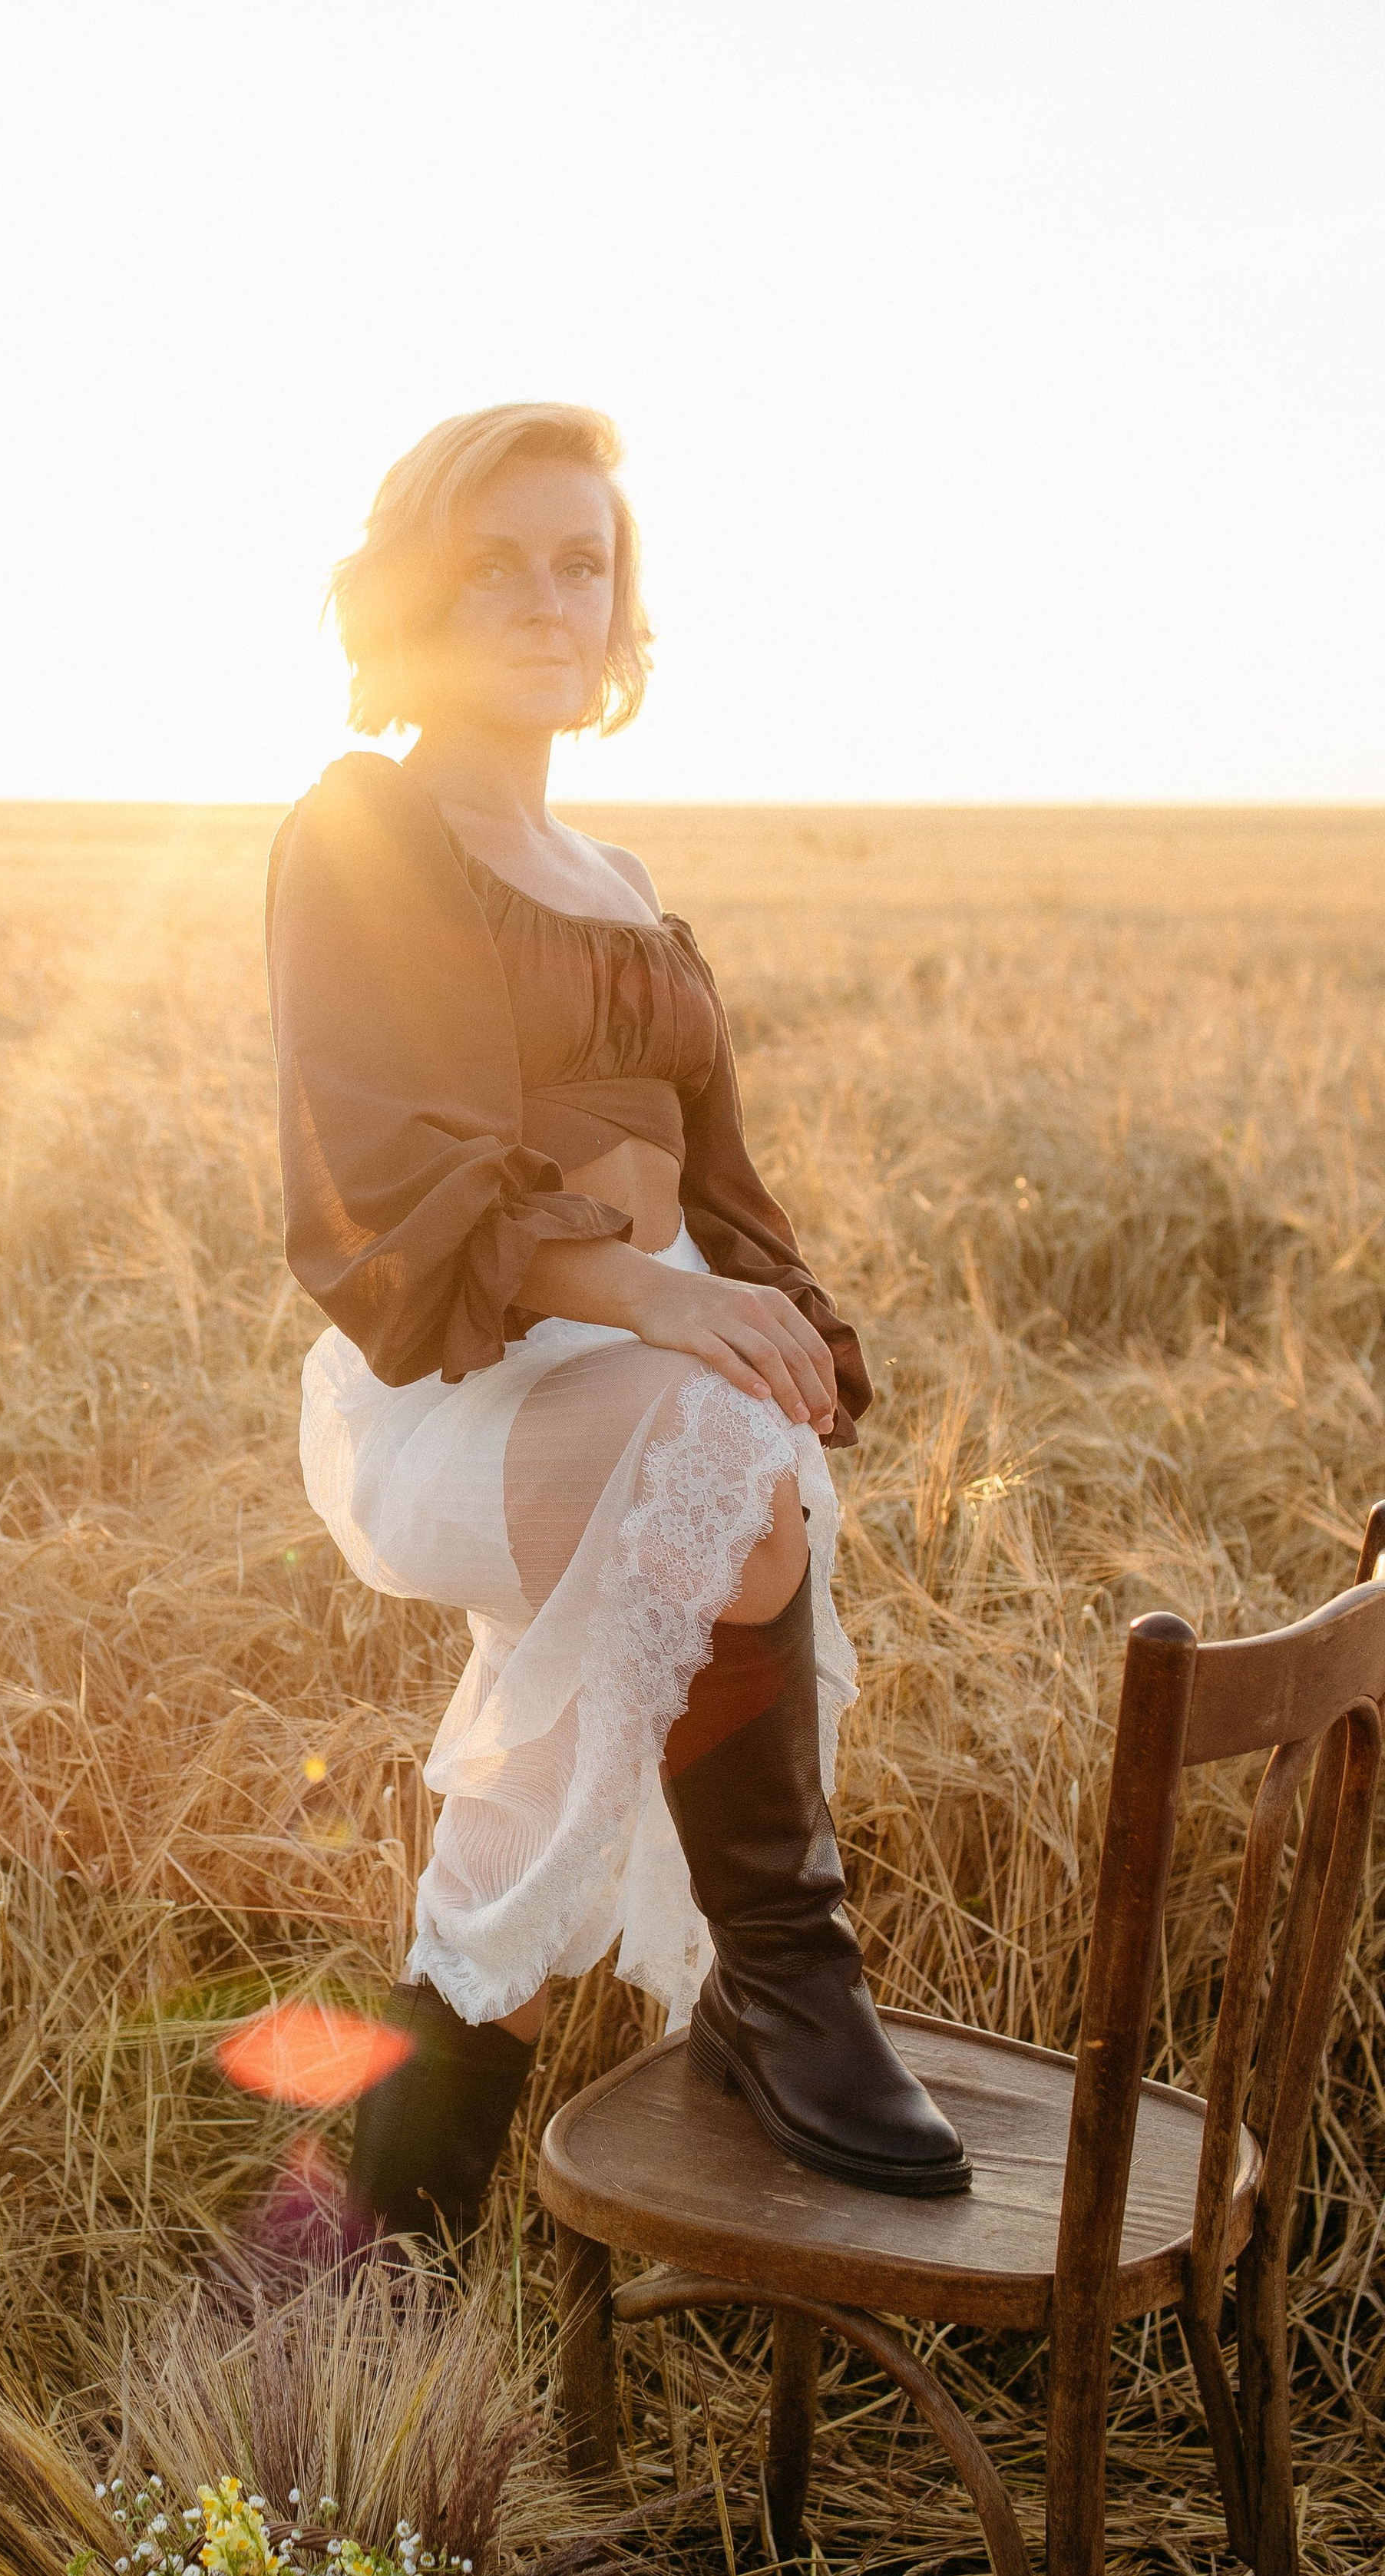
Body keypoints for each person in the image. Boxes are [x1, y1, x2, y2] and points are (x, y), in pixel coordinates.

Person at [266, 403, 967, 2251]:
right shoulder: (363, 827)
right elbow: (386, 1172)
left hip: (634, 1386)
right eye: (492, 563)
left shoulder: (626, 888)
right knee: (716, 1449)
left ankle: (390, 2234)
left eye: (580, 564)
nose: (542, 599)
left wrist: (770, 1319)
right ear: (414, 595)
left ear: (618, 607)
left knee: (563, 1736)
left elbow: (717, 1186)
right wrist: (659, 1302)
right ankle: (786, 1976)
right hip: (451, 1392)